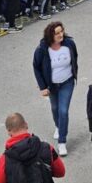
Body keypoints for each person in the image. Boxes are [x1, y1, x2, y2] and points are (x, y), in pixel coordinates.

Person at [32, 21, 78, 157]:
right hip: (52, 86)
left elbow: (75, 58)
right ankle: (59, 126)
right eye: (57, 33)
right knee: (55, 108)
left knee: (63, 111)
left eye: (61, 31)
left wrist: (74, 73)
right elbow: (36, 66)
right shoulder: (42, 49)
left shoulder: (69, 44)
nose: (60, 35)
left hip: (67, 82)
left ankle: (62, 142)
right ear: (50, 35)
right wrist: (42, 87)